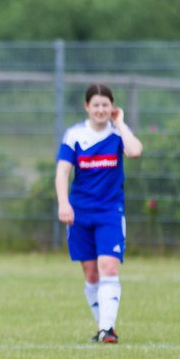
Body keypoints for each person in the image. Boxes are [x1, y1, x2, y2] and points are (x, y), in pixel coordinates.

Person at [55, 83, 144, 344]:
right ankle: (103, 327)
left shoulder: (118, 135)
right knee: (91, 273)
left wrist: (121, 123)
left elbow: (135, 151)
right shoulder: (74, 135)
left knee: (108, 266)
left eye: (106, 105)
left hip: (110, 211)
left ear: (113, 108)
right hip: (80, 212)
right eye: (96, 105)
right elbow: (62, 171)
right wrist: (64, 203)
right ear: (87, 107)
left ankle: (108, 329)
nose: (101, 110)